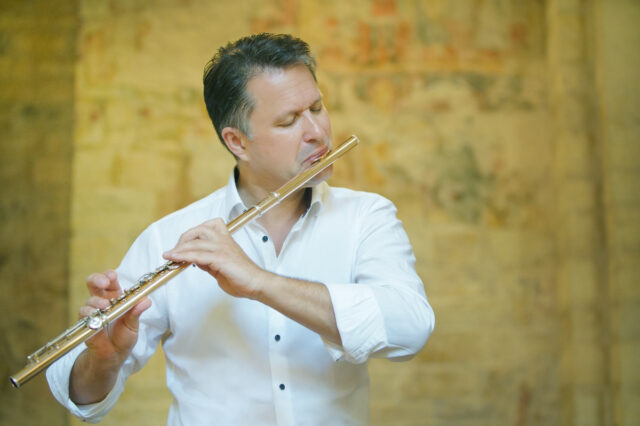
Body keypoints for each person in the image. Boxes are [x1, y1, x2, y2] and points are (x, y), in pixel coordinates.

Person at [46, 33, 435, 425]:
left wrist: (259, 282)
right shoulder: (170, 238)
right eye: (288, 121)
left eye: (317, 108)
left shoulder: (366, 216)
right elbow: (80, 396)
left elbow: (410, 328)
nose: (317, 131)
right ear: (237, 142)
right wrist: (103, 361)